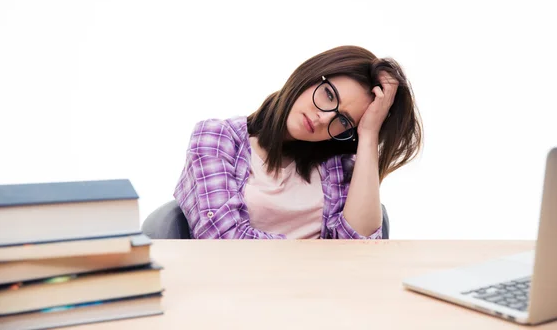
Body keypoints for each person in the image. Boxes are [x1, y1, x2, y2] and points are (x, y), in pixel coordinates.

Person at [173, 46, 422, 239]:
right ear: (311, 75)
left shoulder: (337, 166)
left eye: (343, 121)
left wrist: (368, 135)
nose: (324, 118)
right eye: (329, 95)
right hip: (235, 296)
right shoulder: (216, 138)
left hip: (322, 298)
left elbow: (361, 248)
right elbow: (221, 239)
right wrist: (323, 254)